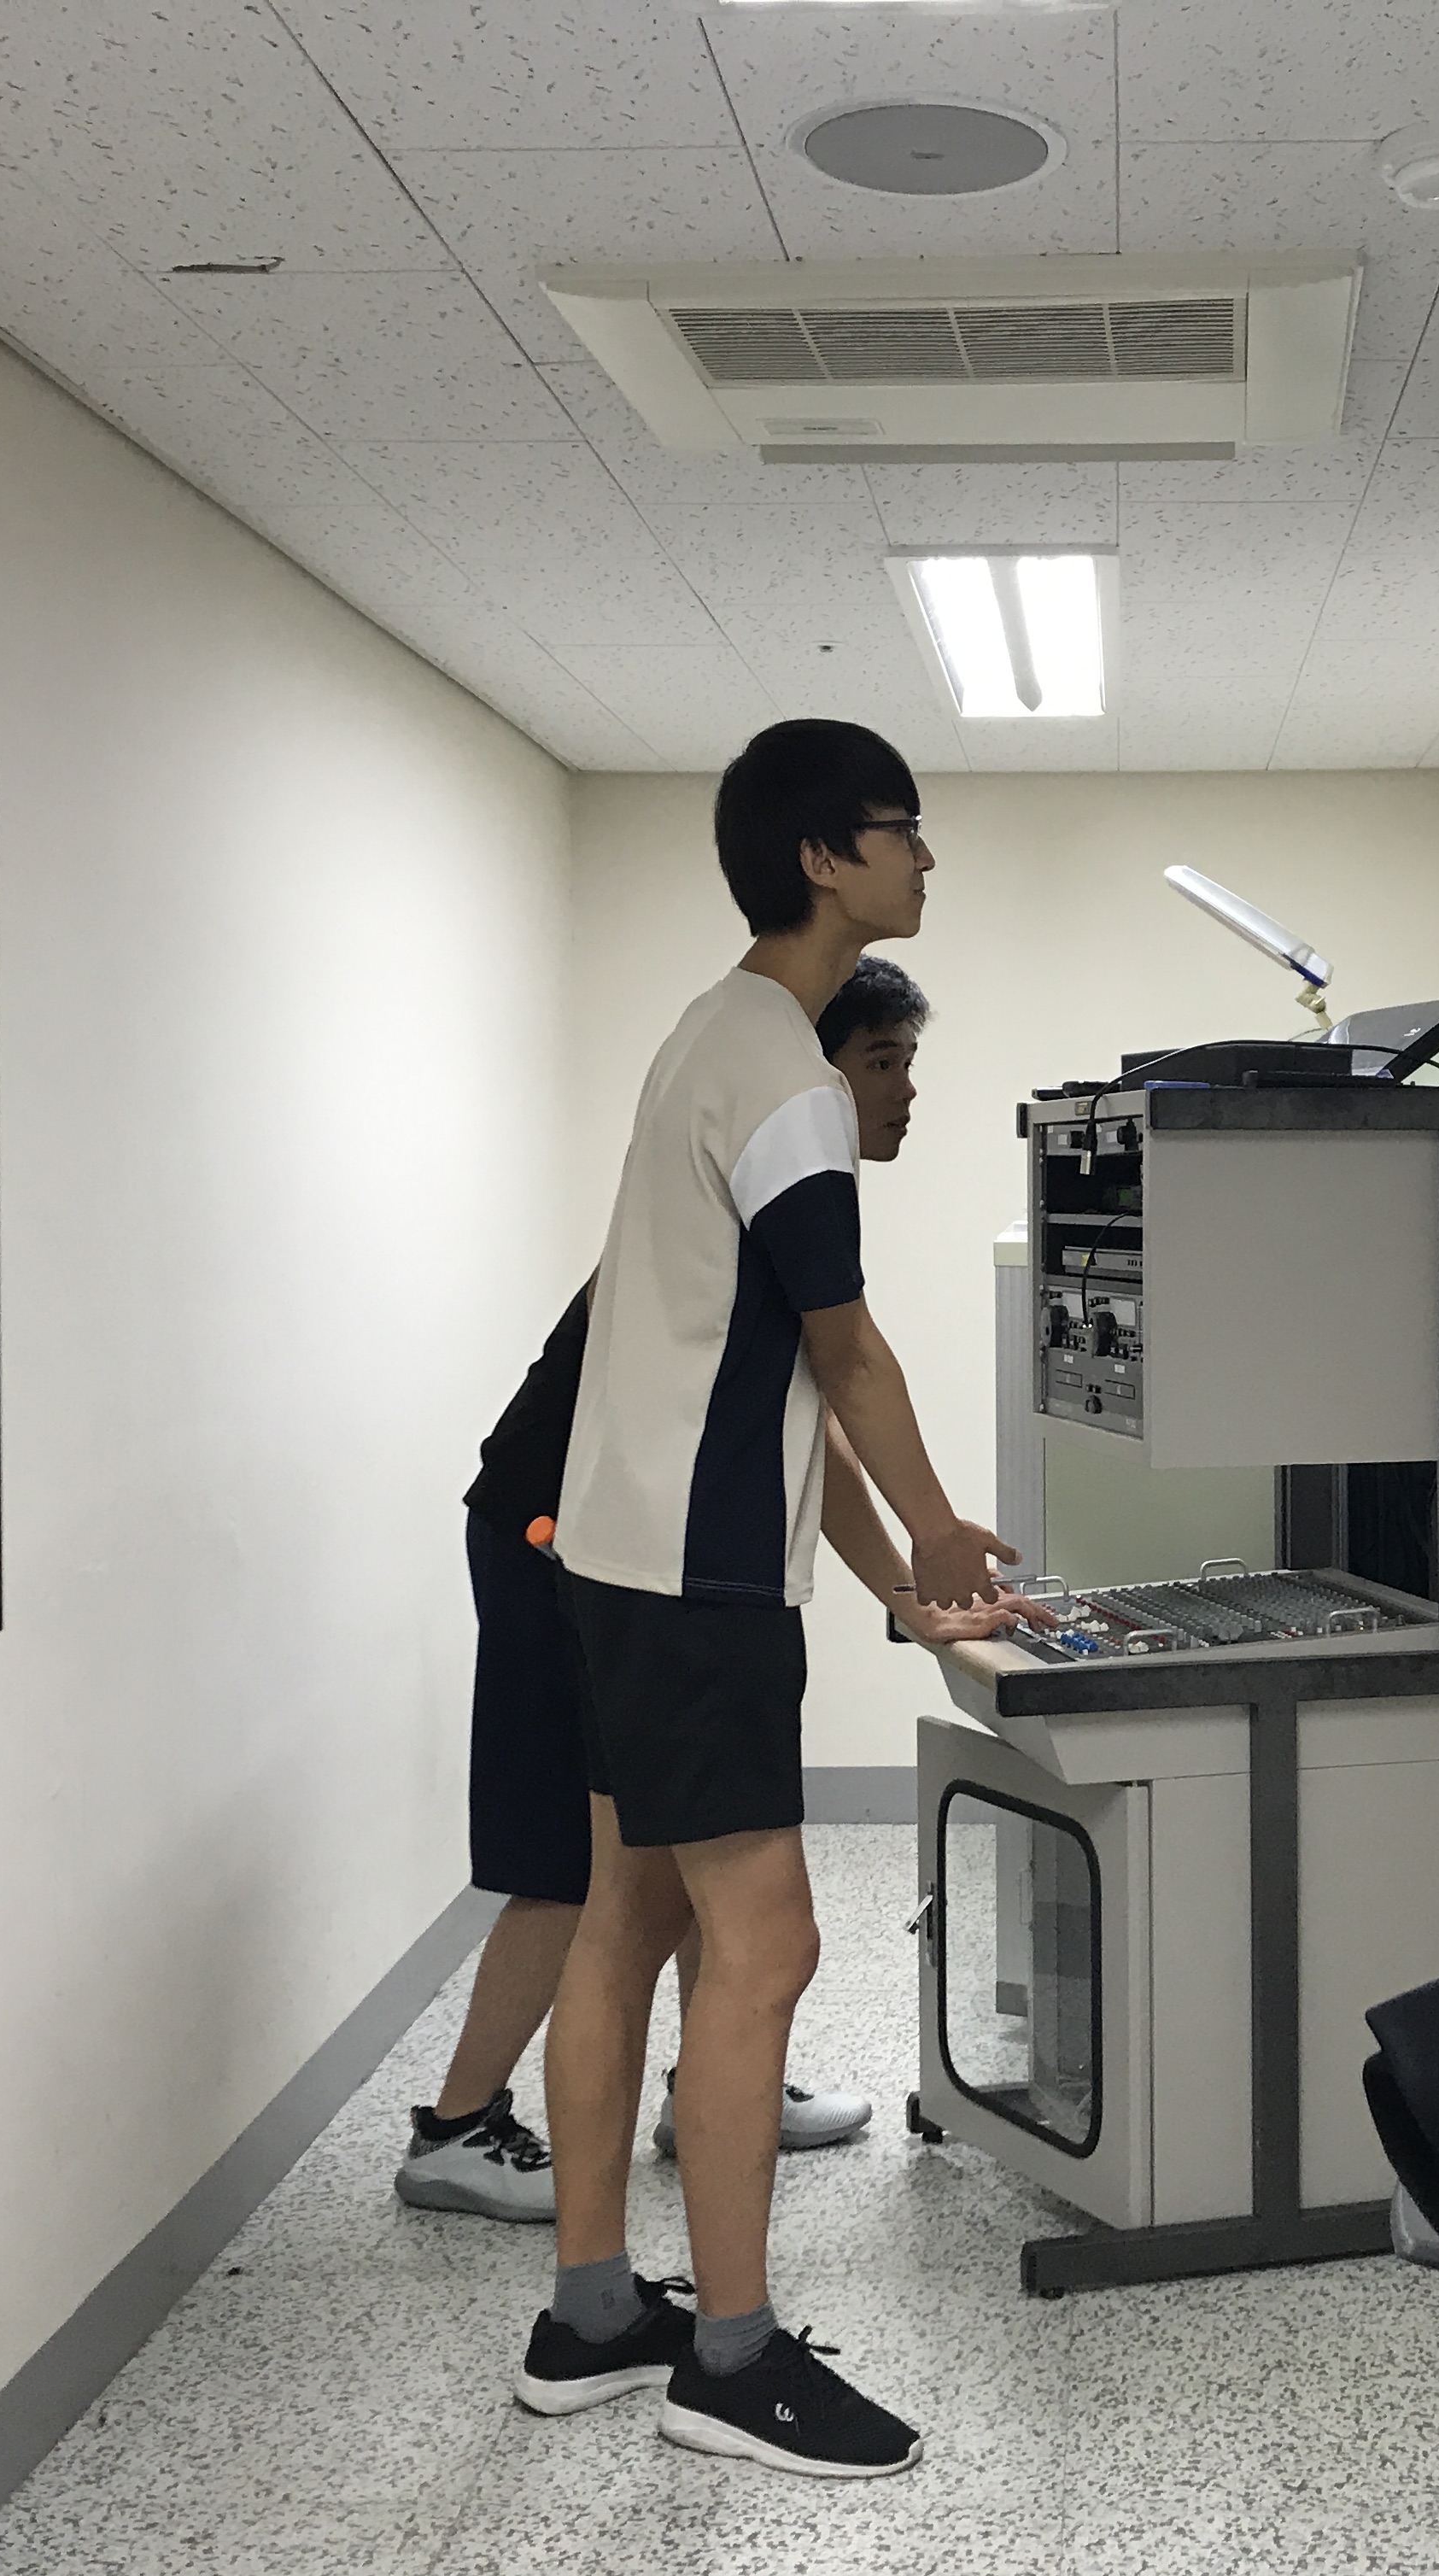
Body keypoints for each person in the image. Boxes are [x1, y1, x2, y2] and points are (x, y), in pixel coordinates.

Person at [520, 721, 1012, 2481]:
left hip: (620, 1560)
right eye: (903, 831)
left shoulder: (708, 1034)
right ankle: (730, 2361)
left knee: (625, 1919)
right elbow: (844, 1351)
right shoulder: (792, 1083)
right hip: (699, 1589)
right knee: (769, 1945)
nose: (924, 859)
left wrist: (897, 1588)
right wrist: (946, 1534)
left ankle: (592, 2314)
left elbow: (770, 1390)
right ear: (823, 858)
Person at [393, 957, 988, 2222]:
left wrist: (907, 1599)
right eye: (881, 1063)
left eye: (906, 1063)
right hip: (559, 1542)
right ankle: (455, 2127)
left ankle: (711, 2086)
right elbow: (840, 1397)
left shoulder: (770, 1199)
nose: (904, 1092)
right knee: (583, 1864)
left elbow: (805, 1432)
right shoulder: (746, 1190)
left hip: (629, 1544)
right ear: (812, 1074)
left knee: (707, 1835)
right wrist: (920, 1566)